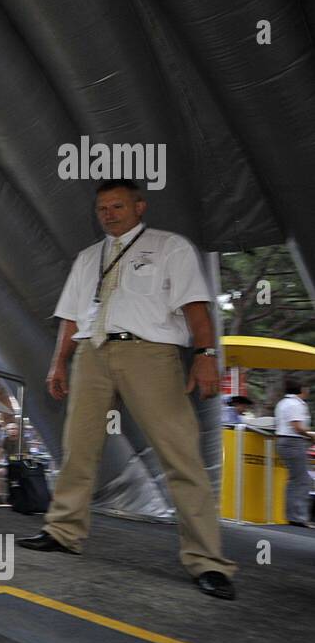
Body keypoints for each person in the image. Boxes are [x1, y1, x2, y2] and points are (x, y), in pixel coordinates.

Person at [22, 180, 238, 600]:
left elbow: (195, 304)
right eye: (102, 208)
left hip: (150, 353)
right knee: (78, 448)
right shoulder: (88, 257)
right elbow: (70, 315)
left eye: (117, 205)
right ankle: (63, 531)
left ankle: (208, 562)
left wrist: (206, 352)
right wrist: (57, 363)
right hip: (91, 353)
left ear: (140, 206)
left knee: (180, 452)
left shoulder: (169, 247)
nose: (108, 213)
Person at [274, 379, 312, 527]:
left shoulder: (282, 403)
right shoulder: (296, 404)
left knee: (295, 479)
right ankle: (299, 517)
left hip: (284, 441)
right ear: (301, 389)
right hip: (293, 442)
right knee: (302, 480)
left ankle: (292, 515)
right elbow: (297, 427)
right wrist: (311, 436)